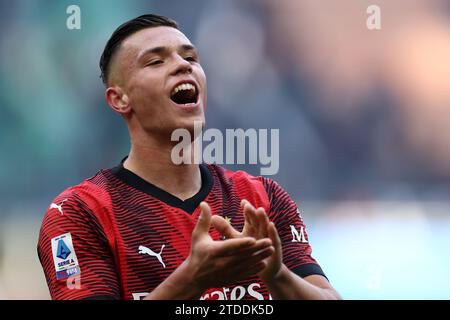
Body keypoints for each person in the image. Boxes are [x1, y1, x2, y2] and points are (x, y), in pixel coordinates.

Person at [37, 14, 341, 300]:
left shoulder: (262, 198)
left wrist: (277, 274)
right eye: (156, 61)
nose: (183, 66)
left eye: (191, 58)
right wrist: (192, 280)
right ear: (119, 99)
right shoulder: (78, 213)